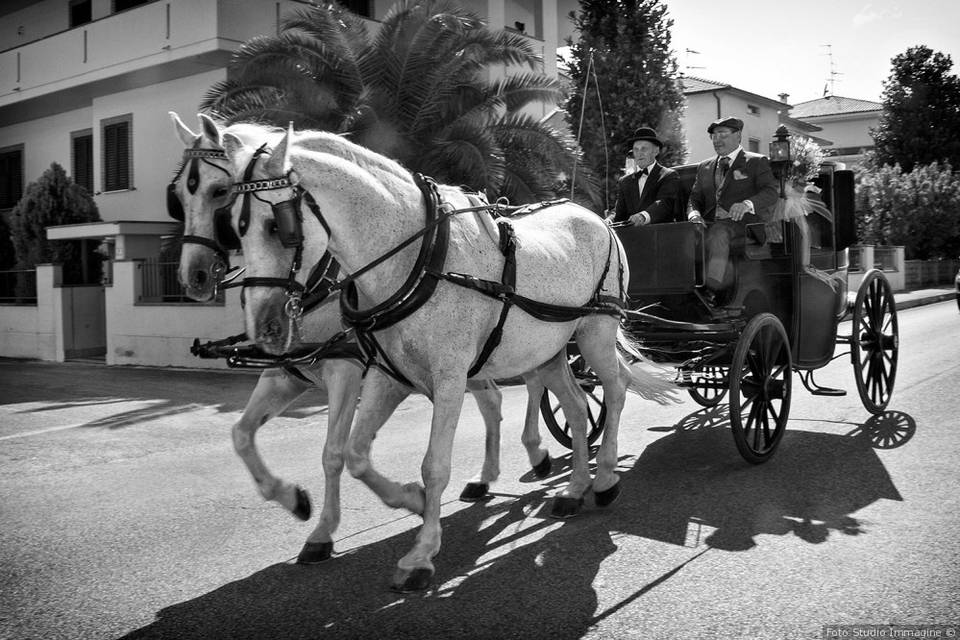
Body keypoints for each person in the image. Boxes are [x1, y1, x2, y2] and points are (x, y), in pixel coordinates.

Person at [688, 117, 779, 304]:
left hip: (744, 226)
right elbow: (694, 198)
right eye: (713, 135)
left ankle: (711, 290)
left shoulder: (756, 162)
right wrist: (694, 213)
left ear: (738, 136)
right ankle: (682, 289)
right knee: (681, 235)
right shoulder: (704, 167)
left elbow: (771, 192)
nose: (716, 140)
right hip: (708, 224)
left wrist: (746, 204)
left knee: (718, 233)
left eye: (722, 134)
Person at [611, 127, 680, 226]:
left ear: (656, 151)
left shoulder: (668, 175)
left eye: (644, 149)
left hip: (659, 236)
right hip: (632, 238)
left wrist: (643, 216)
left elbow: (664, 204)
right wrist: (607, 221)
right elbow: (618, 212)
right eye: (636, 149)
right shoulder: (624, 181)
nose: (639, 153)